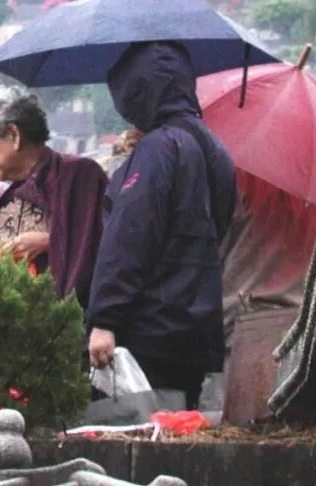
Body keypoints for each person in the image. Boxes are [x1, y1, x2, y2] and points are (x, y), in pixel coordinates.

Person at [87, 41, 235, 410]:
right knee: (178, 427)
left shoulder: (159, 148)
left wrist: (104, 318)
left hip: (149, 325)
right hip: (198, 326)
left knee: (134, 431)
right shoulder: (215, 148)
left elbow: (129, 236)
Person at [0, 86, 107, 309]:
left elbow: (105, 242)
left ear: (14, 135)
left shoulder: (80, 175)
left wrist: (50, 242)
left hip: (66, 320)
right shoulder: (4, 198)